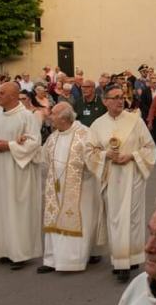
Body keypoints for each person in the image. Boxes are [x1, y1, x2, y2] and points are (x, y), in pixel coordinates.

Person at [87, 83, 156, 283]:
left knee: (133, 218)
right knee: (116, 219)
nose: (120, 100)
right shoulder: (97, 125)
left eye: (122, 96)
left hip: (132, 175)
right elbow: (89, 151)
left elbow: (149, 147)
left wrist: (132, 156)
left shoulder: (135, 121)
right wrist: (105, 155)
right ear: (105, 101)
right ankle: (120, 261)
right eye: (115, 97)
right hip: (111, 177)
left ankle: (133, 258)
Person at [38, 103, 105, 273]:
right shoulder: (53, 137)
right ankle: (52, 259)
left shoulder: (85, 134)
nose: (49, 116)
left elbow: (96, 159)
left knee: (78, 221)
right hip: (56, 187)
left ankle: (73, 260)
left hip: (82, 187)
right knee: (54, 219)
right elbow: (43, 159)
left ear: (64, 118)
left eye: (53, 114)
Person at [0, 82, 43, 270]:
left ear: (13, 96)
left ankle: (21, 254)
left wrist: (8, 146)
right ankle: (5, 249)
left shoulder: (26, 117)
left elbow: (34, 143)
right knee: (2, 209)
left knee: (19, 211)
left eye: (1, 92)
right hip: (1, 171)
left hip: (19, 173)